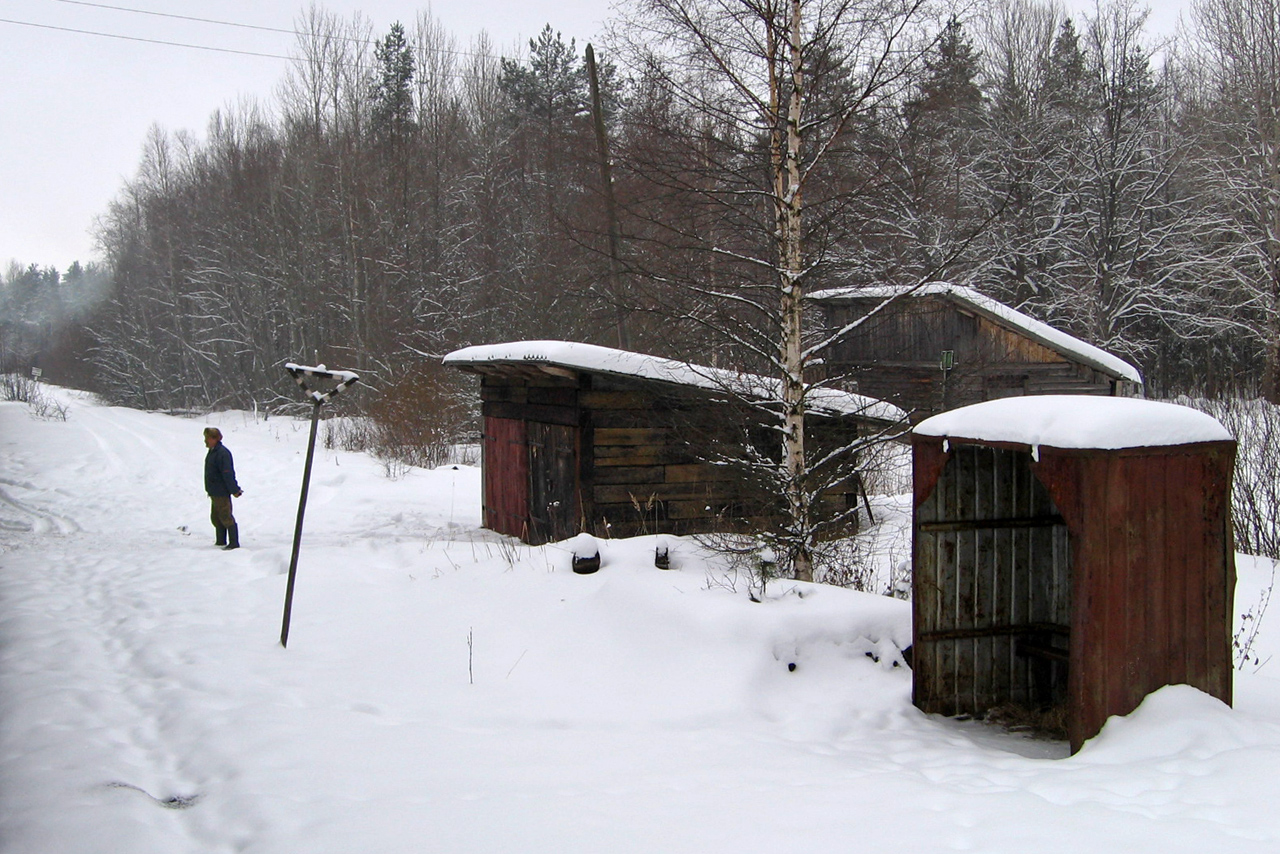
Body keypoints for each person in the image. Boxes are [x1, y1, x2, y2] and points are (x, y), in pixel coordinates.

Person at [203, 427, 243, 550]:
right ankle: (221, 540)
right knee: (216, 517)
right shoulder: (213, 451)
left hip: (221, 491)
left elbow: (228, 473)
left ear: (215, 438)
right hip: (214, 491)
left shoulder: (222, 453)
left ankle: (234, 543)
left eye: (207, 438)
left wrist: (234, 489)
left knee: (226, 516)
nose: (205, 441)